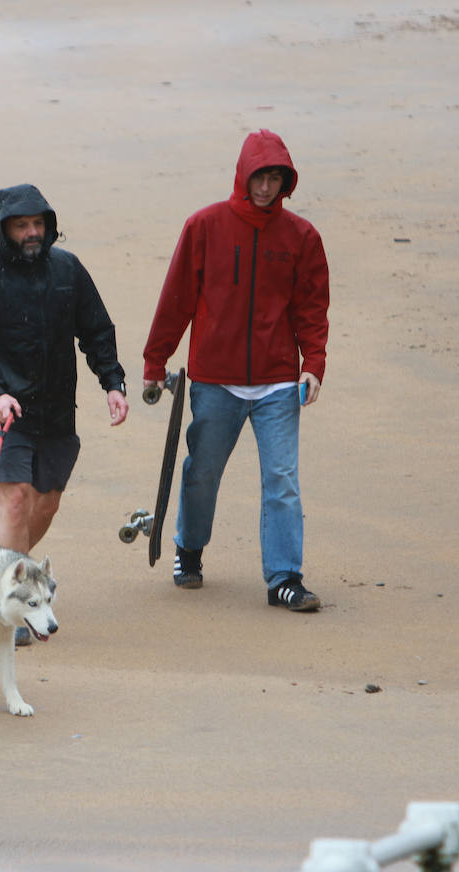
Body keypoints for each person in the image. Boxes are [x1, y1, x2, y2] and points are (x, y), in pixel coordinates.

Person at [142, 130, 329, 611]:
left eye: (274, 178)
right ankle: (189, 549)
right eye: (258, 177)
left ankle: (284, 578)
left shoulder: (301, 238)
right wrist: (154, 361)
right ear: (242, 176)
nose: (265, 187)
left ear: (285, 182)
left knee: (282, 480)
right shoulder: (204, 227)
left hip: (278, 383)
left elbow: (311, 308)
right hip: (214, 380)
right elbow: (177, 298)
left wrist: (314, 365)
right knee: (202, 471)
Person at [0, 184, 129, 640]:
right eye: (21, 225)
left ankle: (9, 582)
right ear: (4, 230)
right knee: (15, 501)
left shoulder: (67, 270)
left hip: (56, 413)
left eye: (38, 224)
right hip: (3, 413)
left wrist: (112, 381)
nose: (32, 232)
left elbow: (96, 330)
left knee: (45, 504)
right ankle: (5, 612)